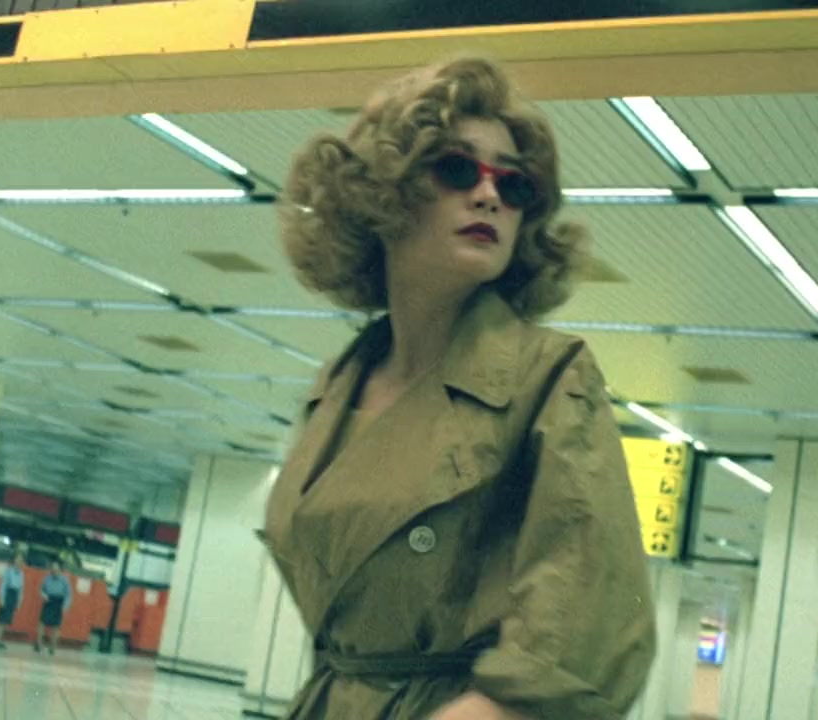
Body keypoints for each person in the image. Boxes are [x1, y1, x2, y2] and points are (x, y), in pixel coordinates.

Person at [263, 57, 656, 719]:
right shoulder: (336, 386)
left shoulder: (549, 377)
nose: (489, 195)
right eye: (456, 169)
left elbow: (586, 632)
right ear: (382, 193)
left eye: (514, 183)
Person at [35, 560, 71, 655]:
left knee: (56, 627)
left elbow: (68, 595)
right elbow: (41, 589)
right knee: (41, 624)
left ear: (60, 569)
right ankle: (39, 644)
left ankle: (52, 647)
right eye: (52, 569)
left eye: (56, 569)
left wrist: (65, 606)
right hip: (48, 601)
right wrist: (44, 595)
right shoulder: (47, 578)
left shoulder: (65, 580)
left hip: (59, 602)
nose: (54, 571)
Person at [0, 549, 26, 649]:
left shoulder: (21, 574)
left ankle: (0, 640)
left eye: (21, 560)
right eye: (17, 559)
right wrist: (2, 599)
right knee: (1, 619)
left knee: (6, 620)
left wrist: (19, 602)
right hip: (7, 594)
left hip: (14, 596)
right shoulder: (8, 571)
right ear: (14, 560)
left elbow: (21, 589)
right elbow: (3, 586)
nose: (19, 562)